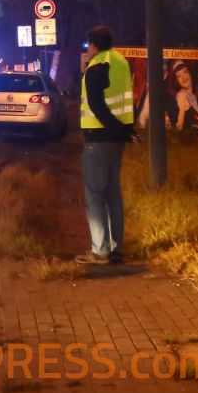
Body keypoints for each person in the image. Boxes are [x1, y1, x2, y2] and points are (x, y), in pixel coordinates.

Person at [77, 25, 134, 265]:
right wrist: (124, 130)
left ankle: (100, 251)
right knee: (113, 194)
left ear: (93, 45)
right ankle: (116, 248)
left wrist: (112, 127)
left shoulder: (97, 66)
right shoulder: (121, 62)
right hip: (117, 140)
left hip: (98, 139)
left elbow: (97, 105)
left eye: (88, 45)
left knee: (95, 194)